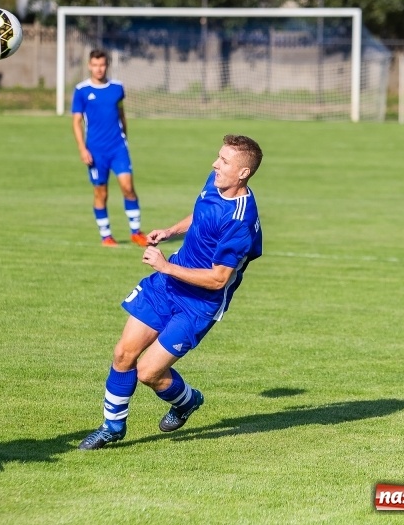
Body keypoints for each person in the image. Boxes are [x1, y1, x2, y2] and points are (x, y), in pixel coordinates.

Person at [79, 134, 264, 450]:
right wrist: (170, 231)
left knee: (148, 373)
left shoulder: (239, 222)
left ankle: (187, 400)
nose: (214, 164)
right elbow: (201, 214)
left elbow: (219, 279)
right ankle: (112, 427)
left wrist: (165, 267)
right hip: (167, 286)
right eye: (217, 157)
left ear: (242, 173)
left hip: (199, 303)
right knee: (124, 353)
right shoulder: (217, 182)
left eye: (223, 161)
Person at [72, 49, 147, 248]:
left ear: (107, 65)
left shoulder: (117, 88)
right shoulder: (81, 91)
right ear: (89, 65)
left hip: (118, 148)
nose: (99, 69)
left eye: (102, 65)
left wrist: (126, 139)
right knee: (101, 193)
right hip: (96, 151)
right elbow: (76, 121)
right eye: (95, 65)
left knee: (128, 188)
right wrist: (82, 149)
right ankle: (106, 236)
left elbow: (121, 114)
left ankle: (136, 232)